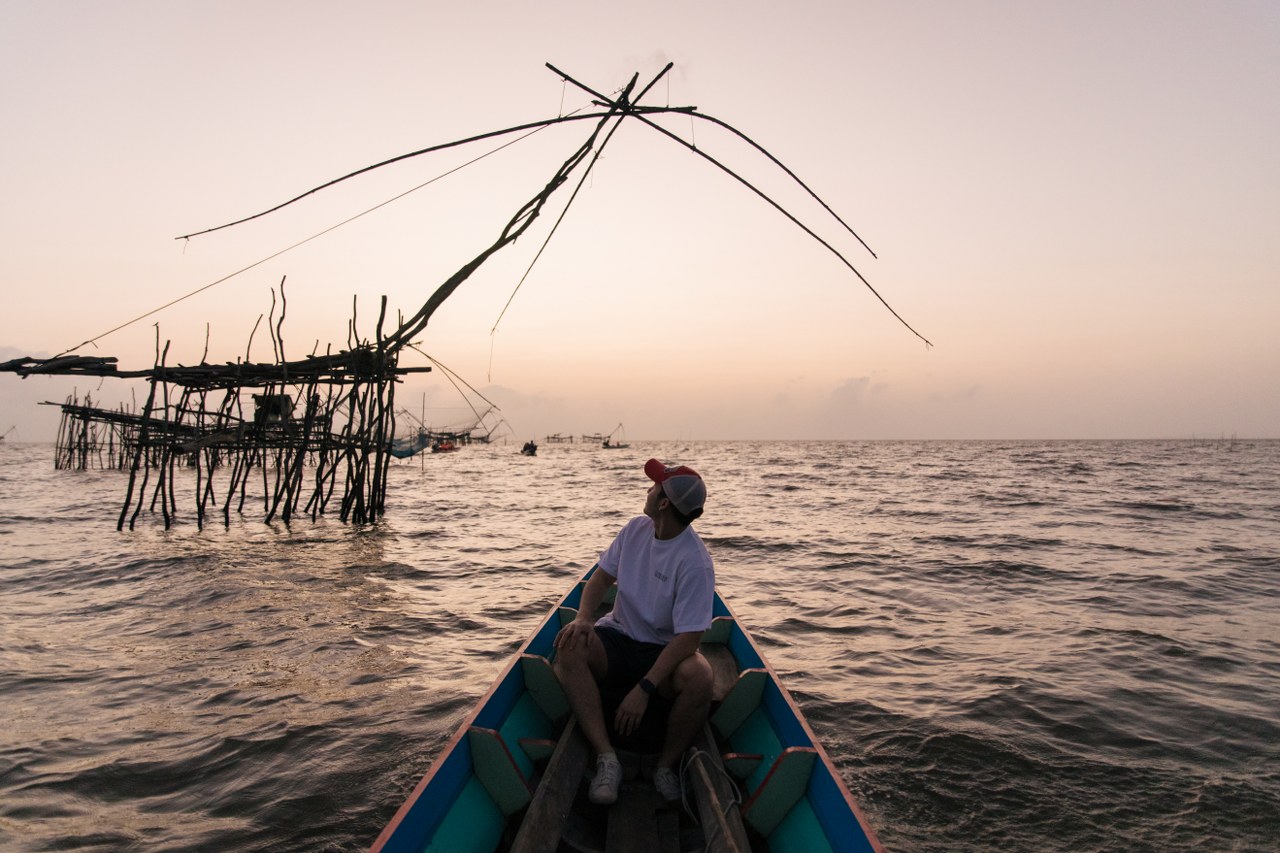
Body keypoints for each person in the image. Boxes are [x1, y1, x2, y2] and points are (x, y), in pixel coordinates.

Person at [553, 458, 715, 806]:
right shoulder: (635, 530)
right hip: (618, 636)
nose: (648, 488)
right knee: (569, 647)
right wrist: (583, 618)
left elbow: (689, 639)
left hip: (663, 652)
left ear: (663, 503)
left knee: (701, 676)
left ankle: (666, 766)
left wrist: (644, 687)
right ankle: (606, 757)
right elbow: (599, 579)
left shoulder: (694, 561)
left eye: (654, 485)